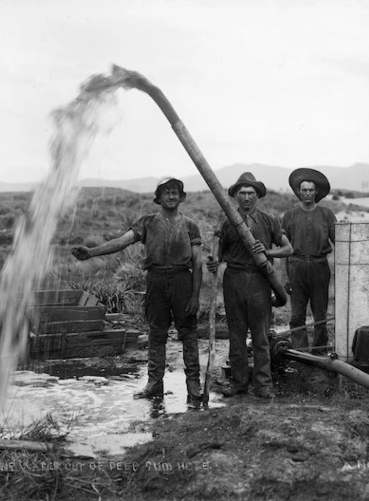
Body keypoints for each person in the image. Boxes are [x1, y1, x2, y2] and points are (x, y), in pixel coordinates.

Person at [71, 177, 203, 407]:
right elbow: (122, 241)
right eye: (166, 192)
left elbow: (198, 262)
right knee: (156, 333)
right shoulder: (148, 222)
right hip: (156, 281)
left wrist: (194, 296)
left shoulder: (190, 225)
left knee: (189, 334)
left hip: (183, 280)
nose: (171, 196)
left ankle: (194, 384)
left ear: (181, 197)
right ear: (159, 198)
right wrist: (92, 252)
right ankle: (154, 384)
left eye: (175, 192)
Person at [207, 172, 293, 399]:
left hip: (259, 280)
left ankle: (263, 384)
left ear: (257, 196)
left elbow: (288, 249)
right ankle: (238, 383)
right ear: (235, 196)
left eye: (251, 193)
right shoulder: (226, 222)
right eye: (242, 193)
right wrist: (214, 261)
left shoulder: (268, 220)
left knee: (261, 336)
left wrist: (267, 252)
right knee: (236, 335)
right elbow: (218, 254)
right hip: (233, 280)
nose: (246, 197)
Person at [281, 168, 336, 354]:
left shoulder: (327, 215)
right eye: (303, 190)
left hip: (320, 266)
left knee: (320, 313)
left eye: (311, 190)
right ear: (298, 192)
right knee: (297, 314)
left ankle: (319, 350)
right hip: (296, 267)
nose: (307, 193)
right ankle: (300, 352)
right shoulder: (289, 216)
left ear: (316, 192)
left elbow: (340, 242)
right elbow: (284, 249)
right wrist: (285, 276)